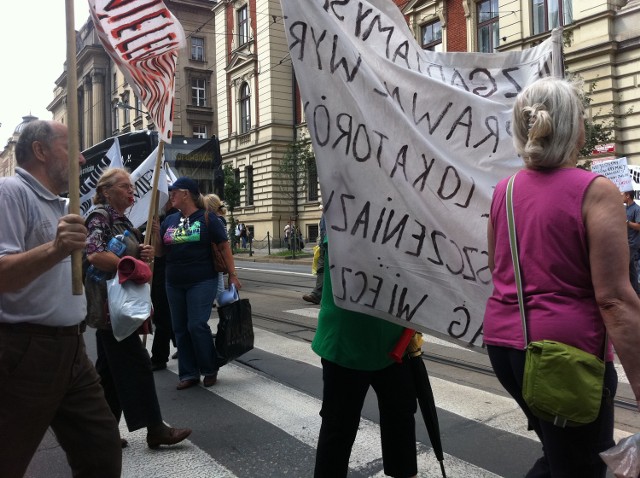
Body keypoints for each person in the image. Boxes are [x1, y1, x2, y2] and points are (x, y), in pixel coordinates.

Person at [484, 77, 640, 477]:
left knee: (561, 457)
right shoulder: (596, 190)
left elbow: (497, 266)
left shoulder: (505, 189)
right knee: (582, 464)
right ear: (576, 128)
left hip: (508, 348)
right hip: (566, 360)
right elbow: (614, 300)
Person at [0, 120, 122, 477]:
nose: (81, 159)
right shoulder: (10, 192)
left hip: (71, 349)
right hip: (27, 351)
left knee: (101, 451)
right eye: (71, 148)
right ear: (40, 151)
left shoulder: (61, 204)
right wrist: (56, 249)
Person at [85, 168, 192, 449]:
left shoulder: (123, 220)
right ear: (107, 191)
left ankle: (101, 434)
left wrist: (140, 253)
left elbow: (126, 253)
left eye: (131, 186)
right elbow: (95, 253)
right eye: (124, 187)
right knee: (138, 365)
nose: (132, 191)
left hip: (118, 306)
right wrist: (130, 265)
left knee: (108, 374)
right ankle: (155, 428)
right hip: (112, 307)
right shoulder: (100, 216)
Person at [312, 242, 418, 478]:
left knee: (401, 421)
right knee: (339, 427)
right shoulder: (343, 212)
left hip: (395, 342)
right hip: (346, 342)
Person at [157, 177, 242, 390]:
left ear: (186, 193)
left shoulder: (207, 218)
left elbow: (224, 247)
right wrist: (153, 236)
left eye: (174, 192)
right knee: (180, 329)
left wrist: (232, 275)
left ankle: (209, 367)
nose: (171, 195)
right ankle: (188, 373)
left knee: (196, 325)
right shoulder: (169, 220)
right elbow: (160, 253)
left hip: (202, 280)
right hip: (173, 282)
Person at [150, 201, 177, 371]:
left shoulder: (175, 218)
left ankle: (159, 357)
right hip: (159, 272)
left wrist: (157, 233)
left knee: (162, 316)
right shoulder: (160, 217)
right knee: (168, 316)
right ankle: (182, 344)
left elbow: (165, 249)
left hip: (167, 273)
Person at [204, 193, 228, 305]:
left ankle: (225, 307)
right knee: (218, 280)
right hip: (218, 254)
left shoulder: (215, 220)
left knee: (219, 283)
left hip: (215, 254)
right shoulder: (221, 219)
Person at [303, 207, 326, 305]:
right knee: (321, 269)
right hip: (324, 246)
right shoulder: (324, 215)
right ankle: (317, 295)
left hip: (335, 247)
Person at [622, 190, 640, 294]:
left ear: (628, 196)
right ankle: (636, 291)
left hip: (633, 243)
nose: (621, 196)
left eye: (622, 194)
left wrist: (627, 222)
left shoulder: (637, 209)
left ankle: (624, 293)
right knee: (631, 269)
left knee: (622, 266)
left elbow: (639, 227)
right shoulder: (624, 208)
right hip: (625, 242)